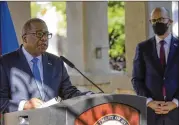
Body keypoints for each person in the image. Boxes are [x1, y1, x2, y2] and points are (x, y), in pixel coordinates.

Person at [0, 18, 93, 113]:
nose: (44, 38)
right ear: (25, 38)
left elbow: (68, 92)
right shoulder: (5, 63)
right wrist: (24, 105)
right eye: (39, 34)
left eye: (46, 34)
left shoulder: (57, 62)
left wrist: (91, 97)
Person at [132, 7, 179, 125]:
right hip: (151, 114)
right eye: (154, 20)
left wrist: (175, 102)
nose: (157, 23)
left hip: (176, 113)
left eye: (161, 19)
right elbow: (137, 79)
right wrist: (149, 101)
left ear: (170, 21)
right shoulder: (143, 48)